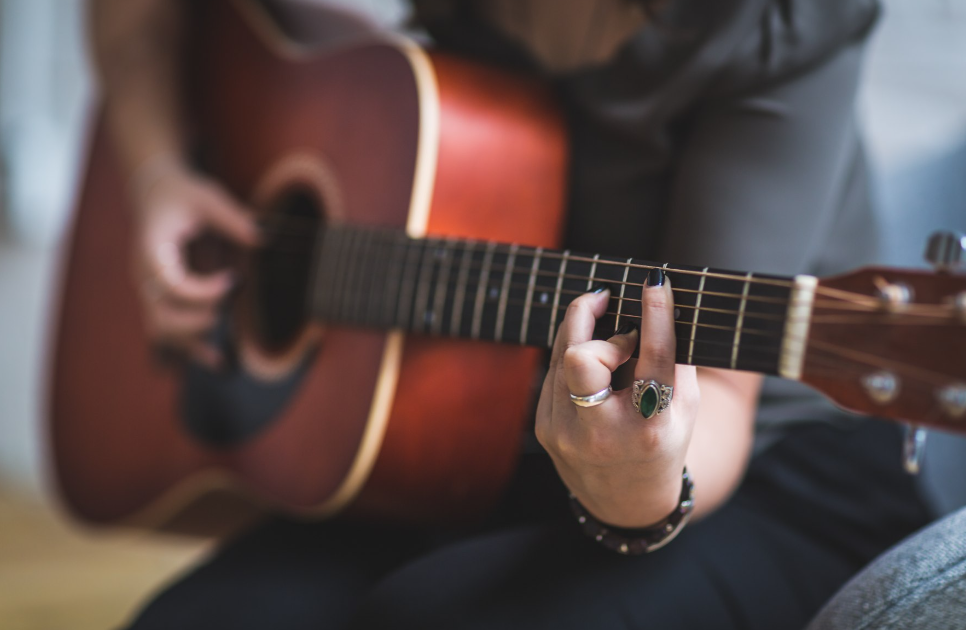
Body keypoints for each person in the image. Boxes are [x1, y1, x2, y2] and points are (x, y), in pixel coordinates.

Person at [90, 0, 933, 628]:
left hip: (761, 474)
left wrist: (637, 486)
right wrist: (157, 170)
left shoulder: (777, 19)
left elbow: (715, 395)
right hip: (466, 433)